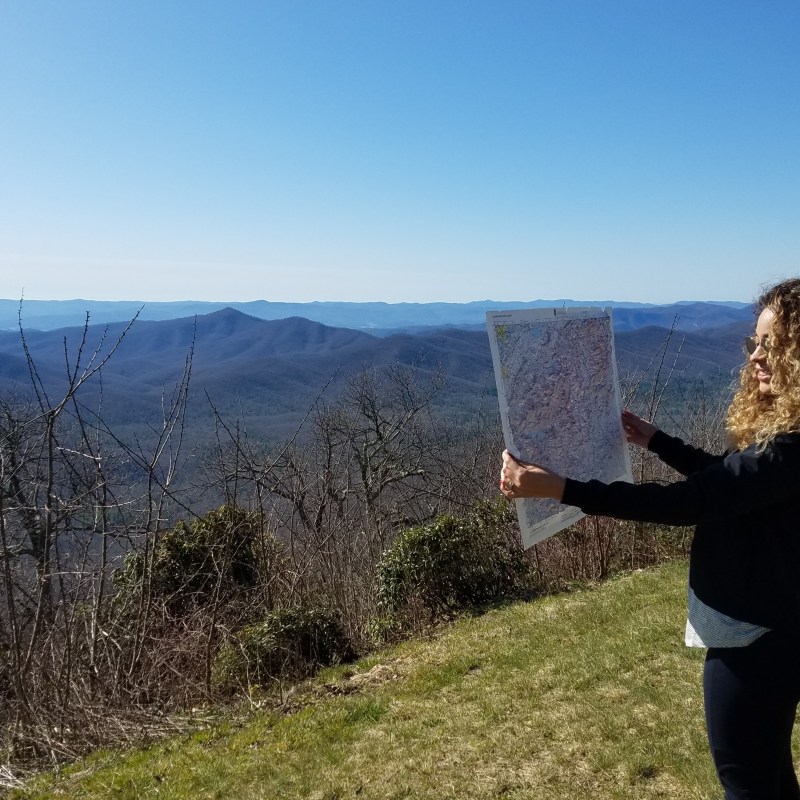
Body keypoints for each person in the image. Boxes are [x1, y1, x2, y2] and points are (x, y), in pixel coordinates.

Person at [499, 277, 800, 800]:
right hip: (779, 629)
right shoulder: (789, 449)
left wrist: (562, 488)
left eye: (772, 345)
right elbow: (731, 482)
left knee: (746, 783)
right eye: (754, 342)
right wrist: (657, 441)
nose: (756, 356)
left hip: (753, 641)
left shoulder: (793, 450)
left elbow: (693, 503)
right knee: (770, 775)